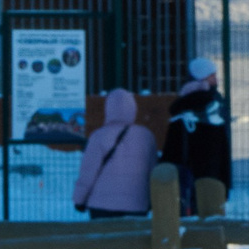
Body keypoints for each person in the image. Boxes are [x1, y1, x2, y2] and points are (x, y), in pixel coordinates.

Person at [74, 86, 161, 218]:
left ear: (108, 108)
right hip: (136, 204)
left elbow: (88, 172)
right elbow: (152, 171)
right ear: (133, 108)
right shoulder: (146, 136)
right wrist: (151, 200)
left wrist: (79, 200)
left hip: (101, 205)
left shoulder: (98, 136)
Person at [163, 55, 233, 214]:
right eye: (212, 76)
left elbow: (170, 154)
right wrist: (226, 184)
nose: (216, 80)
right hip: (213, 178)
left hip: (185, 182)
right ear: (202, 79)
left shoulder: (180, 111)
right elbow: (223, 150)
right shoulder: (216, 109)